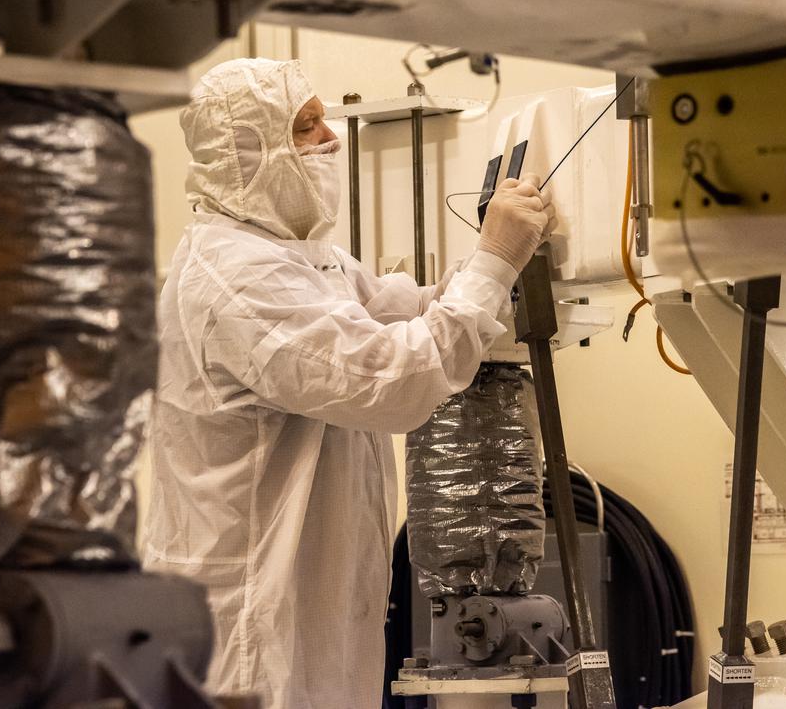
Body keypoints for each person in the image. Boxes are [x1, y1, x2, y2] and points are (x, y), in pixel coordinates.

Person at [143, 58, 555, 708]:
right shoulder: (239, 280)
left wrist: (492, 263)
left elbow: (404, 310)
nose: (331, 138)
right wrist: (495, 262)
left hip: (314, 612)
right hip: (251, 636)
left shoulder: (301, 256)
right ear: (250, 152)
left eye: (324, 119)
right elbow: (396, 380)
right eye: (306, 128)